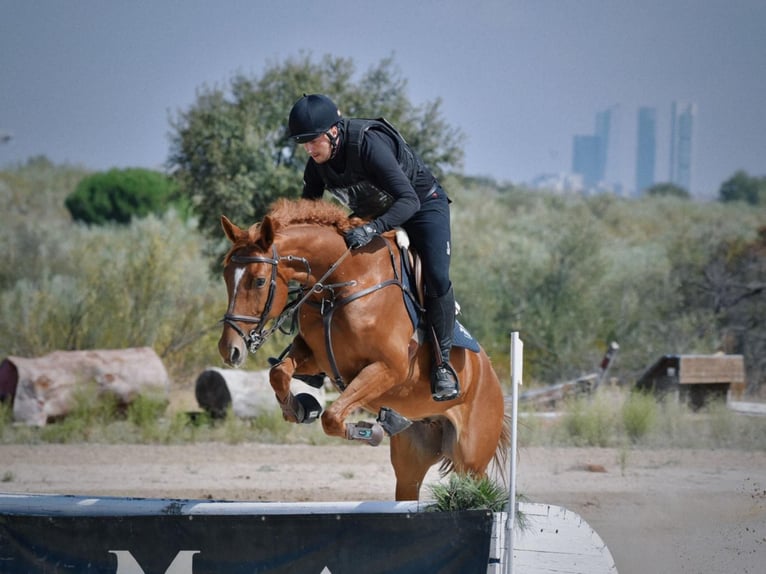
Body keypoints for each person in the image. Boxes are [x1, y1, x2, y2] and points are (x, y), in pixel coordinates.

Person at [287, 94, 460, 402]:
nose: (310, 150)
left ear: (334, 131)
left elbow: (408, 200)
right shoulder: (317, 165)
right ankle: (317, 352)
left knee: (435, 274)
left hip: (421, 206)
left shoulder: (368, 145)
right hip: (372, 215)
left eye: (314, 141)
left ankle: (442, 364)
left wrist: (372, 229)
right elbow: (308, 213)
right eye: (304, 144)